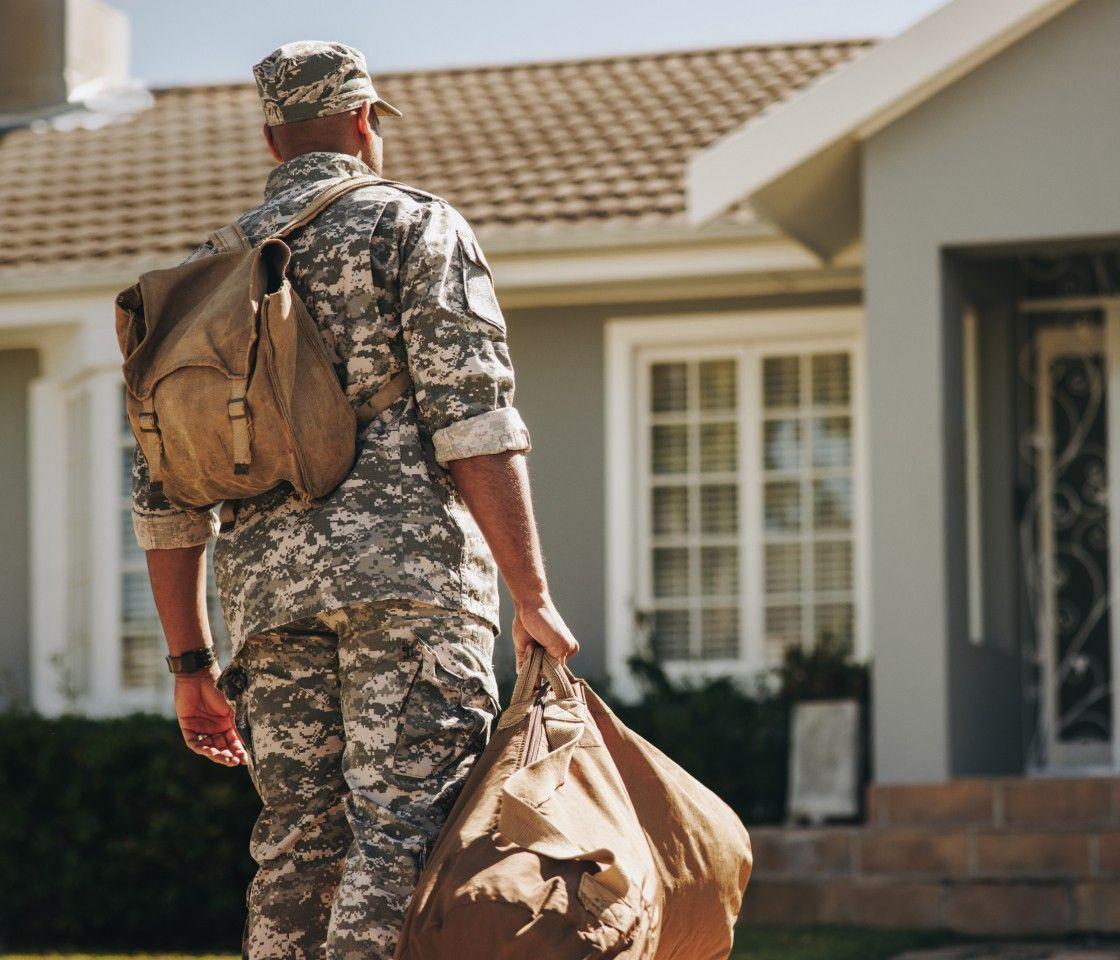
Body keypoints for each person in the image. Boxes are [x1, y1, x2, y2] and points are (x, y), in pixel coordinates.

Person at [130, 40, 579, 960]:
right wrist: (530, 594)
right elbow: (475, 421)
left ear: (272, 139)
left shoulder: (206, 272)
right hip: (407, 582)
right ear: (367, 120)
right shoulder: (414, 226)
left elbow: (164, 491)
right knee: (402, 833)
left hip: (261, 602)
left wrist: (189, 662)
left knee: (297, 848)